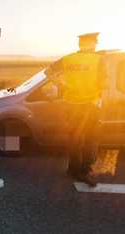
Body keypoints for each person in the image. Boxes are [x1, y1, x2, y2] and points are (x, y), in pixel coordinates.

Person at [49, 32, 106, 187]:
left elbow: (49, 72)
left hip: (71, 104)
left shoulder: (68, 59)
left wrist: (61, 85)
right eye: (95, 42)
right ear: (92, 44)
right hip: (89, 105)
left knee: (74, 138)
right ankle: (84, 172)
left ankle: (72, 168)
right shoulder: (99, 59)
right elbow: (104, 83)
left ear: (80, 45)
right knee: (90, 140)